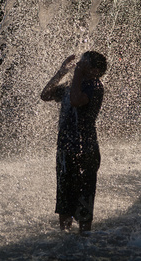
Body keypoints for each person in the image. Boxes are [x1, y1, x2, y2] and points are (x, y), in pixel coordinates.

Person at [41, 51, 107, 234]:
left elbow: (76, 101)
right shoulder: (71, 85)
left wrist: (77, 74)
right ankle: (65, 240)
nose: (79, 64)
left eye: (84, 62)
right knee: (64, 200)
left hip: (85, 150)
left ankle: (84, 240)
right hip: (65, 149)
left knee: (84, 200)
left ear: (95, 70)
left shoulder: (95, 86)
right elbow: (45, 95)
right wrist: (61, 72)